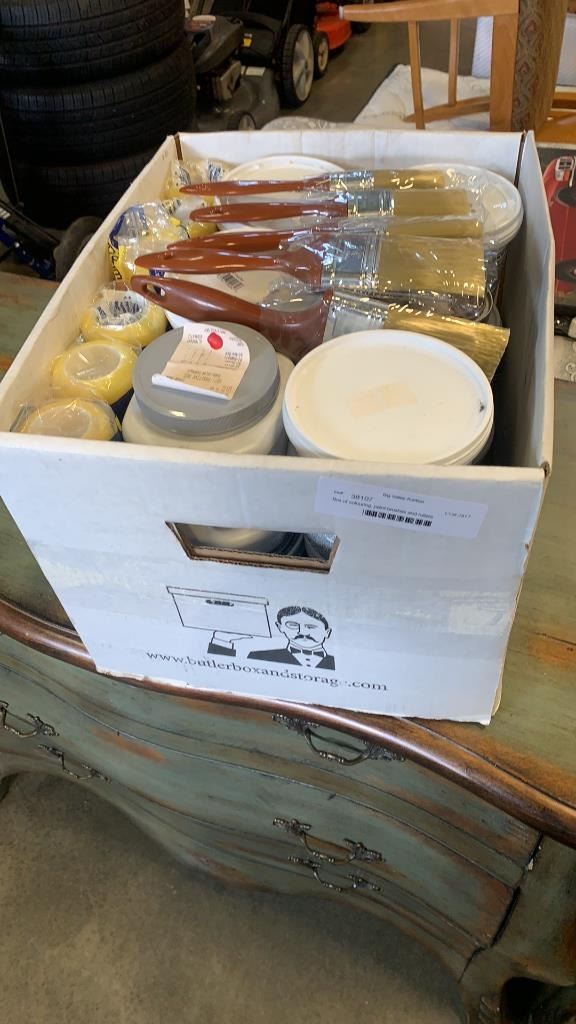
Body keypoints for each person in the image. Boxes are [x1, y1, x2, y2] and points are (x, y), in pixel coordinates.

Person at [248, 606, 335, 670]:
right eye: (293, 625)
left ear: (327, 632)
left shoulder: (339, 663)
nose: (302, 632)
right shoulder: (258, 657)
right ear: (280, 627)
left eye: (311, 627)